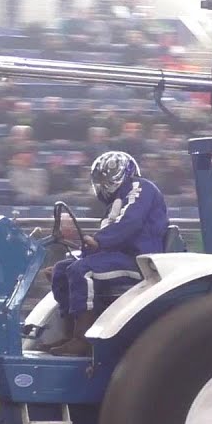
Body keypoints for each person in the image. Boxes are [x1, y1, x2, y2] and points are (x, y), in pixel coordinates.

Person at [42, 151, 168, 356]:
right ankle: (68, 333)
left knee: (81, 271)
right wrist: (89, 249)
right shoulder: (115, 203)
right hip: (117, 258)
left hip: (138, 260)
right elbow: (110, 240)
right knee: (61, 270)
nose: (102, 186)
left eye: (104, 181)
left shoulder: (140, 187)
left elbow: (130, 222)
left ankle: (82, 339)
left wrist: (99, 240)